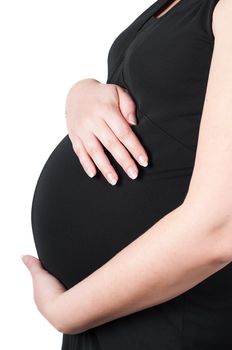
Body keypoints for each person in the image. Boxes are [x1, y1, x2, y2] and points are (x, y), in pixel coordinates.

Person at [21, 0, 232, 349]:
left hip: (177, 321)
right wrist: (82, 93)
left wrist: (66, 313)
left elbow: (220, 228)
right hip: (110, 315)